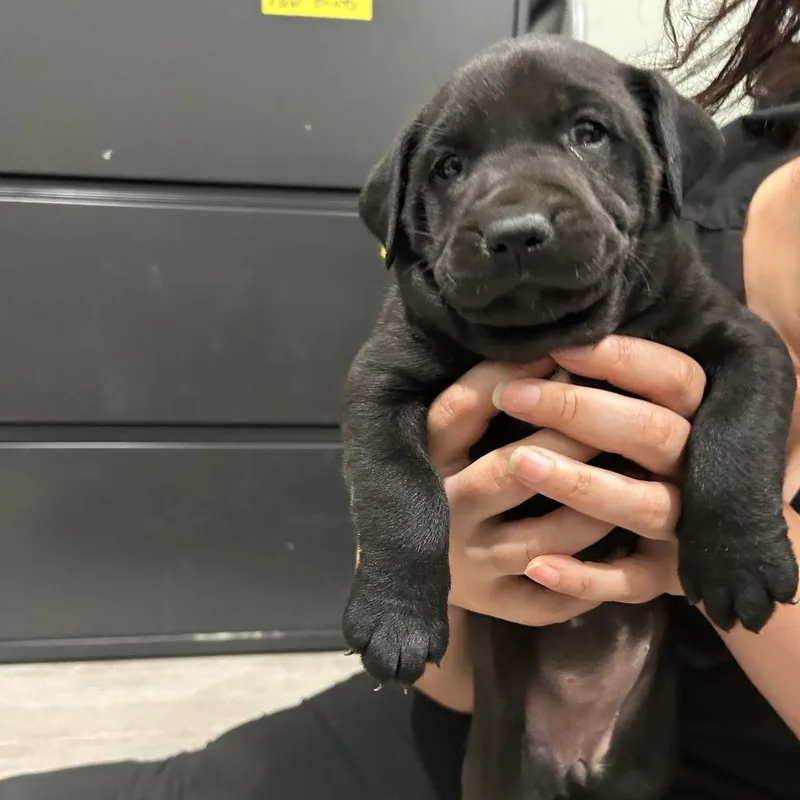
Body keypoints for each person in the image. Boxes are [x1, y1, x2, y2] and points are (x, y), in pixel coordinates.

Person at [3, 2, 800, 798]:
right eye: (450, 169)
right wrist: (411, 568)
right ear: (405, 220)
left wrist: (727, 516)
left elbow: (749, 359)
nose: (515, 214)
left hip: (684, 738)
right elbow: (382, 402)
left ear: (664, 162)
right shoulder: (436, 318)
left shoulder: (671, 277)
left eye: (588, 134)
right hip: (469, 700)